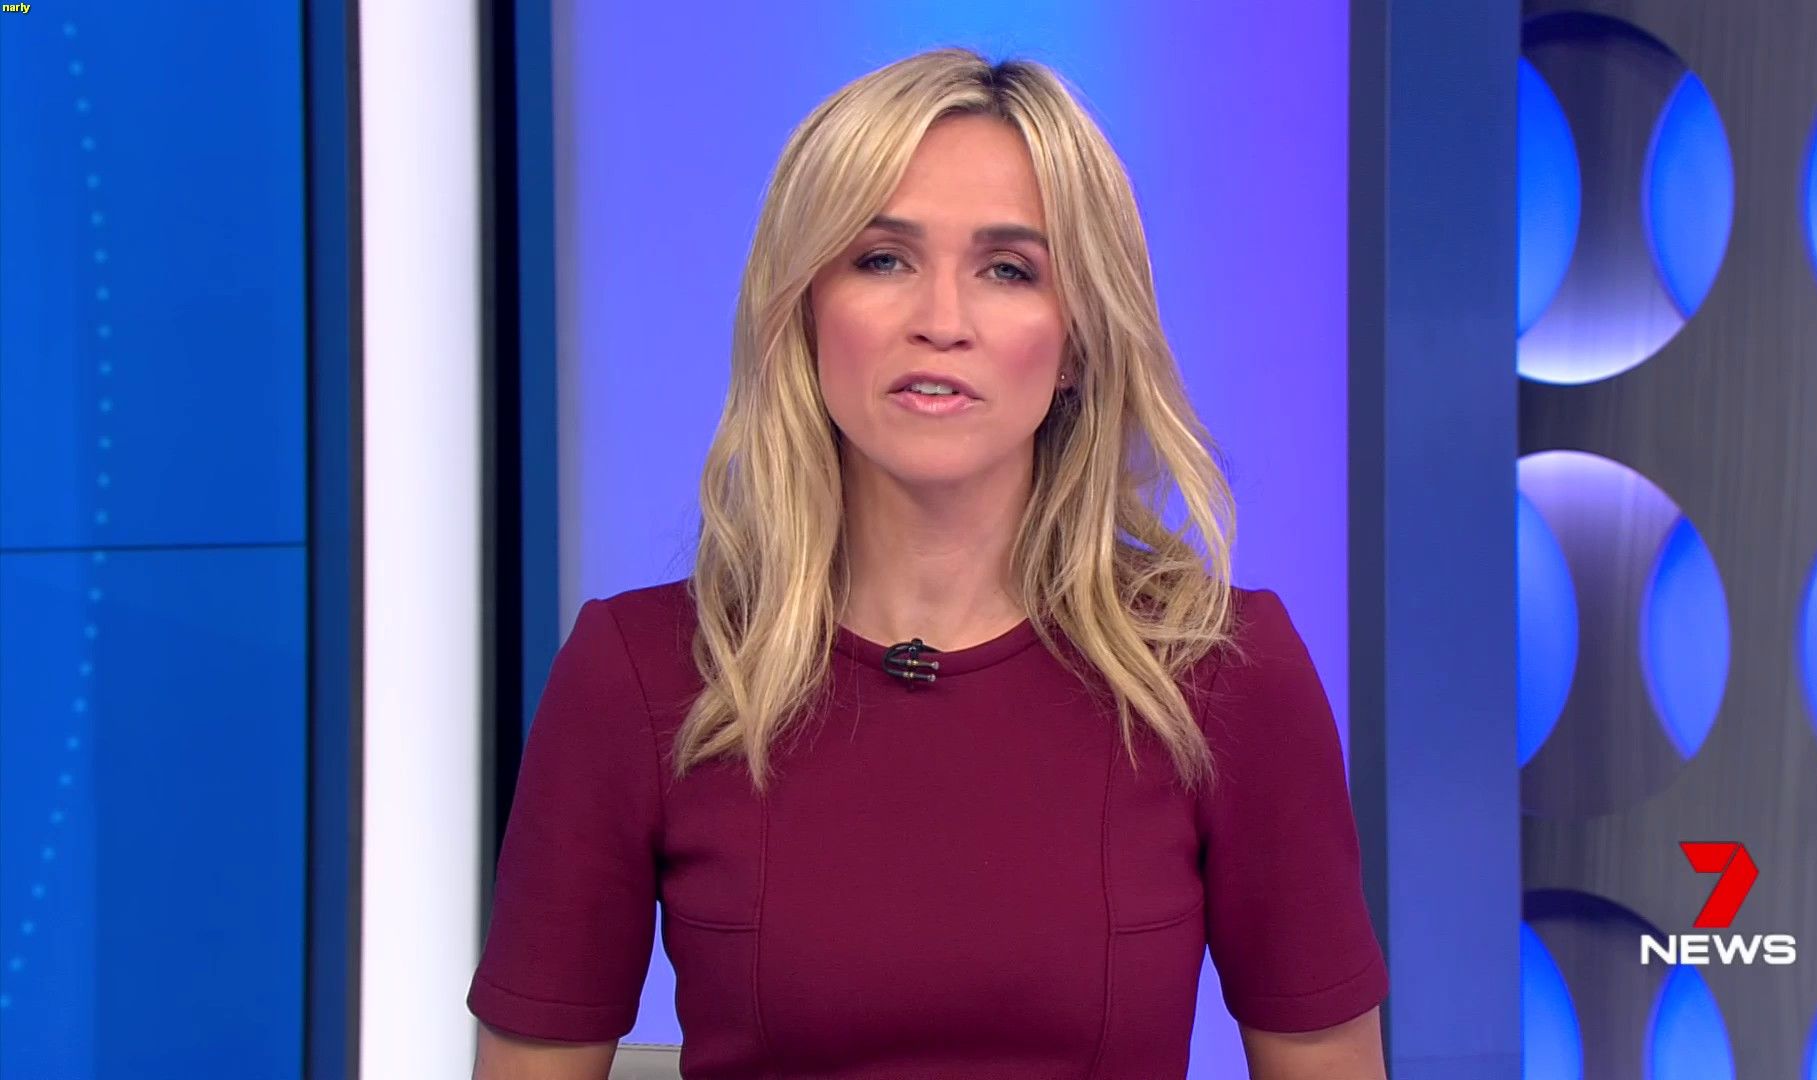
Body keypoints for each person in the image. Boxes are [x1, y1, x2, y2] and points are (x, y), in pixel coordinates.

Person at [468, 46, 1388, 1080]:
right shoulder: (641, 672)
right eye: (882, 259)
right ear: (804, 311)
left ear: (1079, 340)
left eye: (1009, 270)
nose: (940, 322)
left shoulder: (1223, 674)